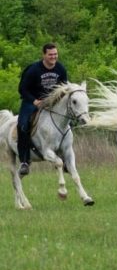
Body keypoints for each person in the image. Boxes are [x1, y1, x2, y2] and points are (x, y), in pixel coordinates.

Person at [16, 43, 69, 177]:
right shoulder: (34, 70)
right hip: (32, 101)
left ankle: (65, 159)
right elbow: (22, 89)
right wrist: (34, 101)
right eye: (50, 54)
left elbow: (64, 87)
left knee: (68, 122)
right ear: (44, 55)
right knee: (23, 125)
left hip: (52, 102)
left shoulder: (60, 69)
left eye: (55, 54)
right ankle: (24, 161)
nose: (53, 57)